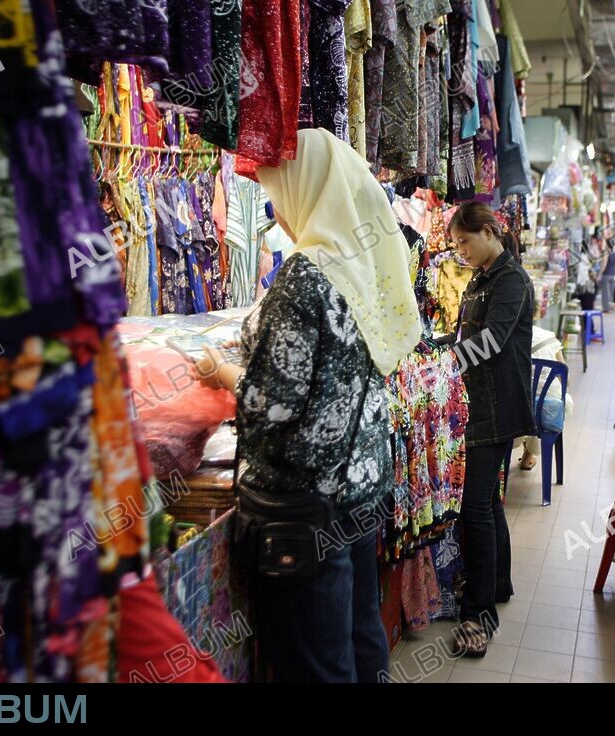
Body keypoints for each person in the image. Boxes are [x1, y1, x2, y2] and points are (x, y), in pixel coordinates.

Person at [196, 128, 420, 682]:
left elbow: (272, 404)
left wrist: (219, 372)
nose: (277, 209)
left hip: (306, 502)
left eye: (278, 192)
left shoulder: (304, 274)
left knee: (316, 662)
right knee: (359, 634)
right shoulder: (363, 262)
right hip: (362, 485)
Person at [439, 201, 536, 657]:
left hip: (496, 405)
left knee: (474, 505)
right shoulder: (482, 276)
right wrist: (434, 345)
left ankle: (479, 615)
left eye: (465, 241)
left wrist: (446, 362)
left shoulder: (512, 279)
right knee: (487, 502)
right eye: (456, 243)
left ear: (490, 231)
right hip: (479, 400)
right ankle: (498, 584)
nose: (461, 251)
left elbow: (493, 340)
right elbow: (465, 333)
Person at [517, 325, 573, 471]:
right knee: (542, 403)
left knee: (528, 401)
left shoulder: (511, 336)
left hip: (518, 408)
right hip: (548, 411)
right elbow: (566, 380)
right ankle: (529, 455)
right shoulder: (549, 337)